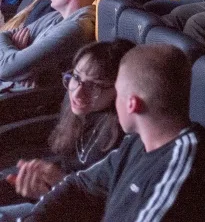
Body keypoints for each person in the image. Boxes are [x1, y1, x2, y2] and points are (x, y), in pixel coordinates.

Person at [25, 44, 205, 221]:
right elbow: (80, 185)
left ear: (132, 104)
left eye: (118, 93)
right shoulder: (136, 143)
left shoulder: (179, 169)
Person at [0, 41, 132, 219]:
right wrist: (47, 184)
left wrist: (59, 186)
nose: (77, 93)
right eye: (76, 77)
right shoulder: (77, 109)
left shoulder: (124, 135)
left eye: (94, 86)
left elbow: (107, 211)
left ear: (119, 89)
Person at [0, 0, 102, 87]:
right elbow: (4, 34)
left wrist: (15, 56)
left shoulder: (76, 28)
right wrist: (16, 53)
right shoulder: (56, 15)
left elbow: (6, 69)